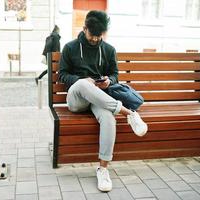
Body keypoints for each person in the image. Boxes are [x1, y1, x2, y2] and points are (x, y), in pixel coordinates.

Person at [58, 10, 148, 192]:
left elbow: (115, 75)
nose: (95, 40)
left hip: (100, 98)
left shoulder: (108, 49)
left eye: (99, 36)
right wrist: (82, 81)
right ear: (84, 29)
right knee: (84, 83)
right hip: (77, 99)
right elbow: (62, 75)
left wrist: (109, 81)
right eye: (92, 35)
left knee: (108, 118)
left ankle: (103, 169)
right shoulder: (70, 47)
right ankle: (129, 113)